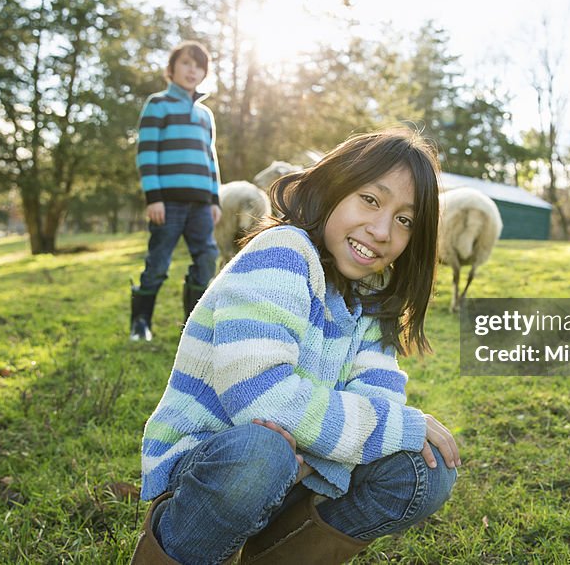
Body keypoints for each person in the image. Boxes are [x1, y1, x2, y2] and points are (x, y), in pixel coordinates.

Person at [132, 129, 460, 564]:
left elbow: (378, 396)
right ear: (334, 188)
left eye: (404, 220)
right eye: (370, 200)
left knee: (427, 467)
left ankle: (273, 556)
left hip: (297, 471)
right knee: (260, 454)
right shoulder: (282, 253)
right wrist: (395, 425)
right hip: (219, 465)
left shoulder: (372, 293)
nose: (381, 231)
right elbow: (260, 398)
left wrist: (328, 446)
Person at [130, 41, 222, 342]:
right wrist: (153, 197)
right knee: (158, 262)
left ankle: (191, 326)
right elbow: (146, 153)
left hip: (200, 204)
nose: (192, 69)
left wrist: (214, 199)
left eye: (199, 65)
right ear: (171, 70)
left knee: (207, 256)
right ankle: (140, 322)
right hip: (167, 203)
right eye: (185, 63)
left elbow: (211, 159)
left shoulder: (206, 115)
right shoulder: (158, 104)